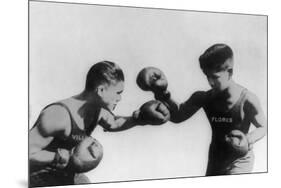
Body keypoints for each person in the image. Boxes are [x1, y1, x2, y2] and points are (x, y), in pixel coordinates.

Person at [29, 61, 170, 187]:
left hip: (66, 174)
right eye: (118, 93)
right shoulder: (57, 116)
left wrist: (140, 119)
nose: (119, 98)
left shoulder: (98, 110)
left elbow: (113, 123)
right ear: (101, 90)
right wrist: (59, 157)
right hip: (38, 177)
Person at [136, 44, 267, 175]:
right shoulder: (203, 97)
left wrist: (249, 139)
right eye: (207, 76)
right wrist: (161, 92)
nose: (210, 82)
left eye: (215, 77)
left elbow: (264, 127)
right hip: (216, 158)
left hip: (240, 161)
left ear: (230, 72)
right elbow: (178, 116)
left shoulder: (248, 99)